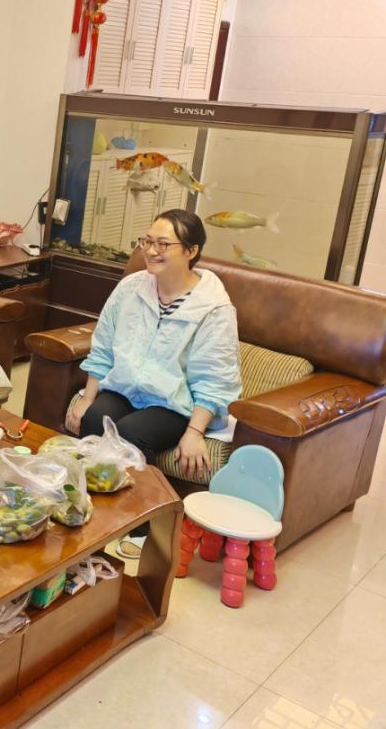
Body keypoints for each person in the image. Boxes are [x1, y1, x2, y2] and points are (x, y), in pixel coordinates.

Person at [65, 210, 241, 555]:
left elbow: (215, 376)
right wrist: (87, 396)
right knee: (93, 418)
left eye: (163, 244)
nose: (151, 250)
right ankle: (95, 510)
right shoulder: (131, 288)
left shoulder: (214, 308)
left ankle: (142, 525)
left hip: (175, 402)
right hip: (126, 388)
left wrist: (195, 431)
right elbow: (103, 345)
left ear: (191, 251)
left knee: (131, 433)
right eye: (146, 242)